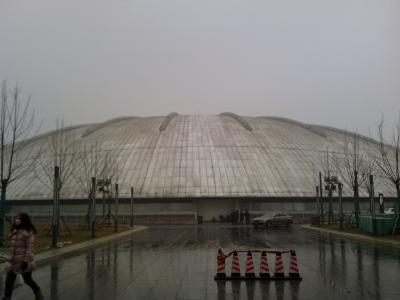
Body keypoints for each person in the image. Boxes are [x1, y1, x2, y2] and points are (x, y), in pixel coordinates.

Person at [2, 213, 43, 300]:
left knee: (27, 280)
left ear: (24, 220)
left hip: (23, 261)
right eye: (16, 218)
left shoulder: (28, 232)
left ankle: (38, 292)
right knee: (9, 280)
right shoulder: (15, 230)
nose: (17, 220)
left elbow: (29, 248)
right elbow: (9, 239)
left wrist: (26, 261)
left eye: (19, 219)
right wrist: (13, 230)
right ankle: (7, 298)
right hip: (13, 260)